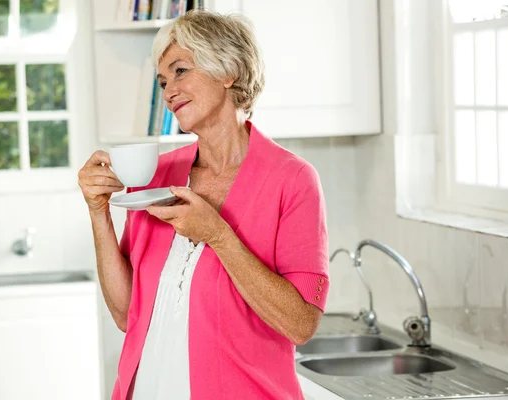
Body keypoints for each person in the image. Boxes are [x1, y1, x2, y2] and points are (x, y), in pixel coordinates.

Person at [78, 9, 329, 400]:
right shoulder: (159, 176)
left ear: (228, 70)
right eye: (163, 81)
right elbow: (126, 314)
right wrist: (99, 213)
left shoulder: (292, 180)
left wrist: (217, 235)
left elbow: (300, 324)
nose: (168, 93)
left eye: (180, 71)